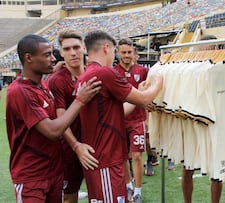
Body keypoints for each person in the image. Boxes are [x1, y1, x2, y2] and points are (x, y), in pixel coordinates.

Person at [5, 34, 101, 203]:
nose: (53, 59)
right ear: (29, 58)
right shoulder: (19, 91)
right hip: (31, 176)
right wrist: (80, 99)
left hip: (54, 172)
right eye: (47, 55)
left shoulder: (42, 84)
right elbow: (53, 131)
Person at [76, 30, 163, 203]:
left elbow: (114, 112)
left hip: (103, 157)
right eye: (117, 50)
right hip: (105, 158)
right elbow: (144, 99)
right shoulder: (105, 73)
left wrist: (141, 90)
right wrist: (159, 81)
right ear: (107, 48)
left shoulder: (86, 74)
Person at [47, 30, 95, 203]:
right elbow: (60, 120)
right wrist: (76, 146)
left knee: (99, 194)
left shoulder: (94, 73)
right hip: (68, 150)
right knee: (69, 197)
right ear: (60, 52)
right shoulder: (57, 80)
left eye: (76, 47)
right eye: (67, 49)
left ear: (84, 47)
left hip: (95, 145)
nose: (73, 53)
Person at [181, 34, 223, 203]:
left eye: (212, 48)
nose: (208, 52)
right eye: (205, 48)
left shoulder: (223, 68)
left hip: (216, 124)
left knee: (217, 172)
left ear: (217, 49)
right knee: (188, 167)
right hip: (193, 123)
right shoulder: (188, 70)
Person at [114, 38, 150, 202]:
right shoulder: (113, 72)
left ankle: (138, 191)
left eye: (129, 52)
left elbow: (148, 96)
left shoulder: (143, 71)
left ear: (134, 53)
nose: (127, 55)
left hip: (137, 120)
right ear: (118, 53)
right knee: (122, 157)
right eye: (124, 52)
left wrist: (148, 119)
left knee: (136, 155)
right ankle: (128, 185)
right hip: (119, 121)